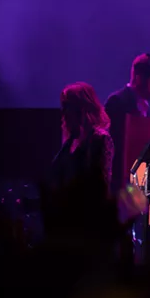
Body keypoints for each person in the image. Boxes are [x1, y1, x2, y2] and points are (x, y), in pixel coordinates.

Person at [40, 82, 115, 238]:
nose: (63, 112)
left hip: (87, 223)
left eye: (67, 106)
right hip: (67, 220)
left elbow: (100, 184)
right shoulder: (70, 142)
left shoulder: (99, 139)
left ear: (82, 108)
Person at [105, 53, 150, 196]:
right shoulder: (117, 102)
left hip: (141, 182)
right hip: (121, 185)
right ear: (139, 78)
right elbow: (113, 148)